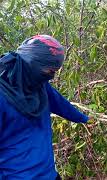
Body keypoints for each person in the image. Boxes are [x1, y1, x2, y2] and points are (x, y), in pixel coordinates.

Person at [0, 35, 89, 180]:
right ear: (32, 64)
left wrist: (85, 119)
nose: (52, 77)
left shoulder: (39, 86)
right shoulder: (2, 97)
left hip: (48, 173)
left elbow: (61, 105)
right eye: (49, 72)